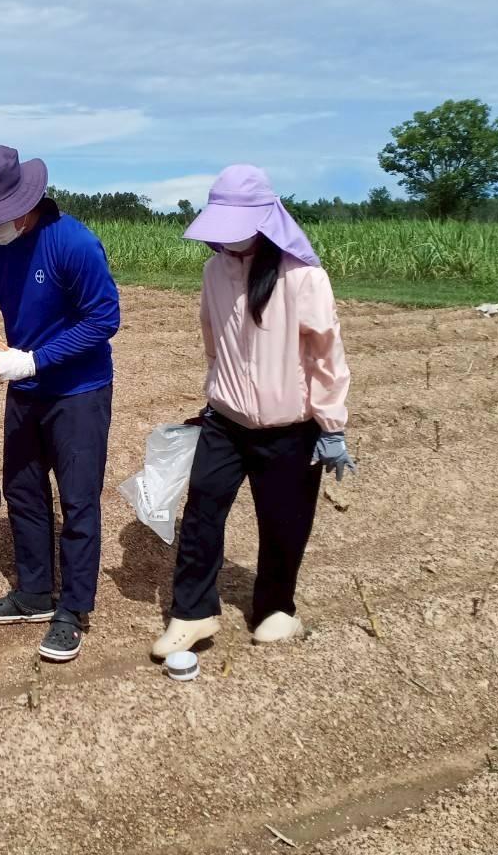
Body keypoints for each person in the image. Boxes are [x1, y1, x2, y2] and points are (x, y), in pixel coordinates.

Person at [151, 164, 354, 659]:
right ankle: (192, 614)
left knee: (284, 521)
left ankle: (275, 610)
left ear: (265, 220)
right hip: (225, 420)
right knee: (201, 514)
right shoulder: (214, 270)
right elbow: (212, 338)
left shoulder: (303, 276)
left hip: (290, 429)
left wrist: (331, 425)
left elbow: (326, 356)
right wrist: (216, 394)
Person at [0, 145, 121, 662]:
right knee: (22, 491)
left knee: (78, 498)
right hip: (24, 389)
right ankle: (34, 592)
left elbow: (104, 319)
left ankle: (73, 608)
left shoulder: (72, 243)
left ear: (24, 202)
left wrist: (35, 360)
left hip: (78, 392)